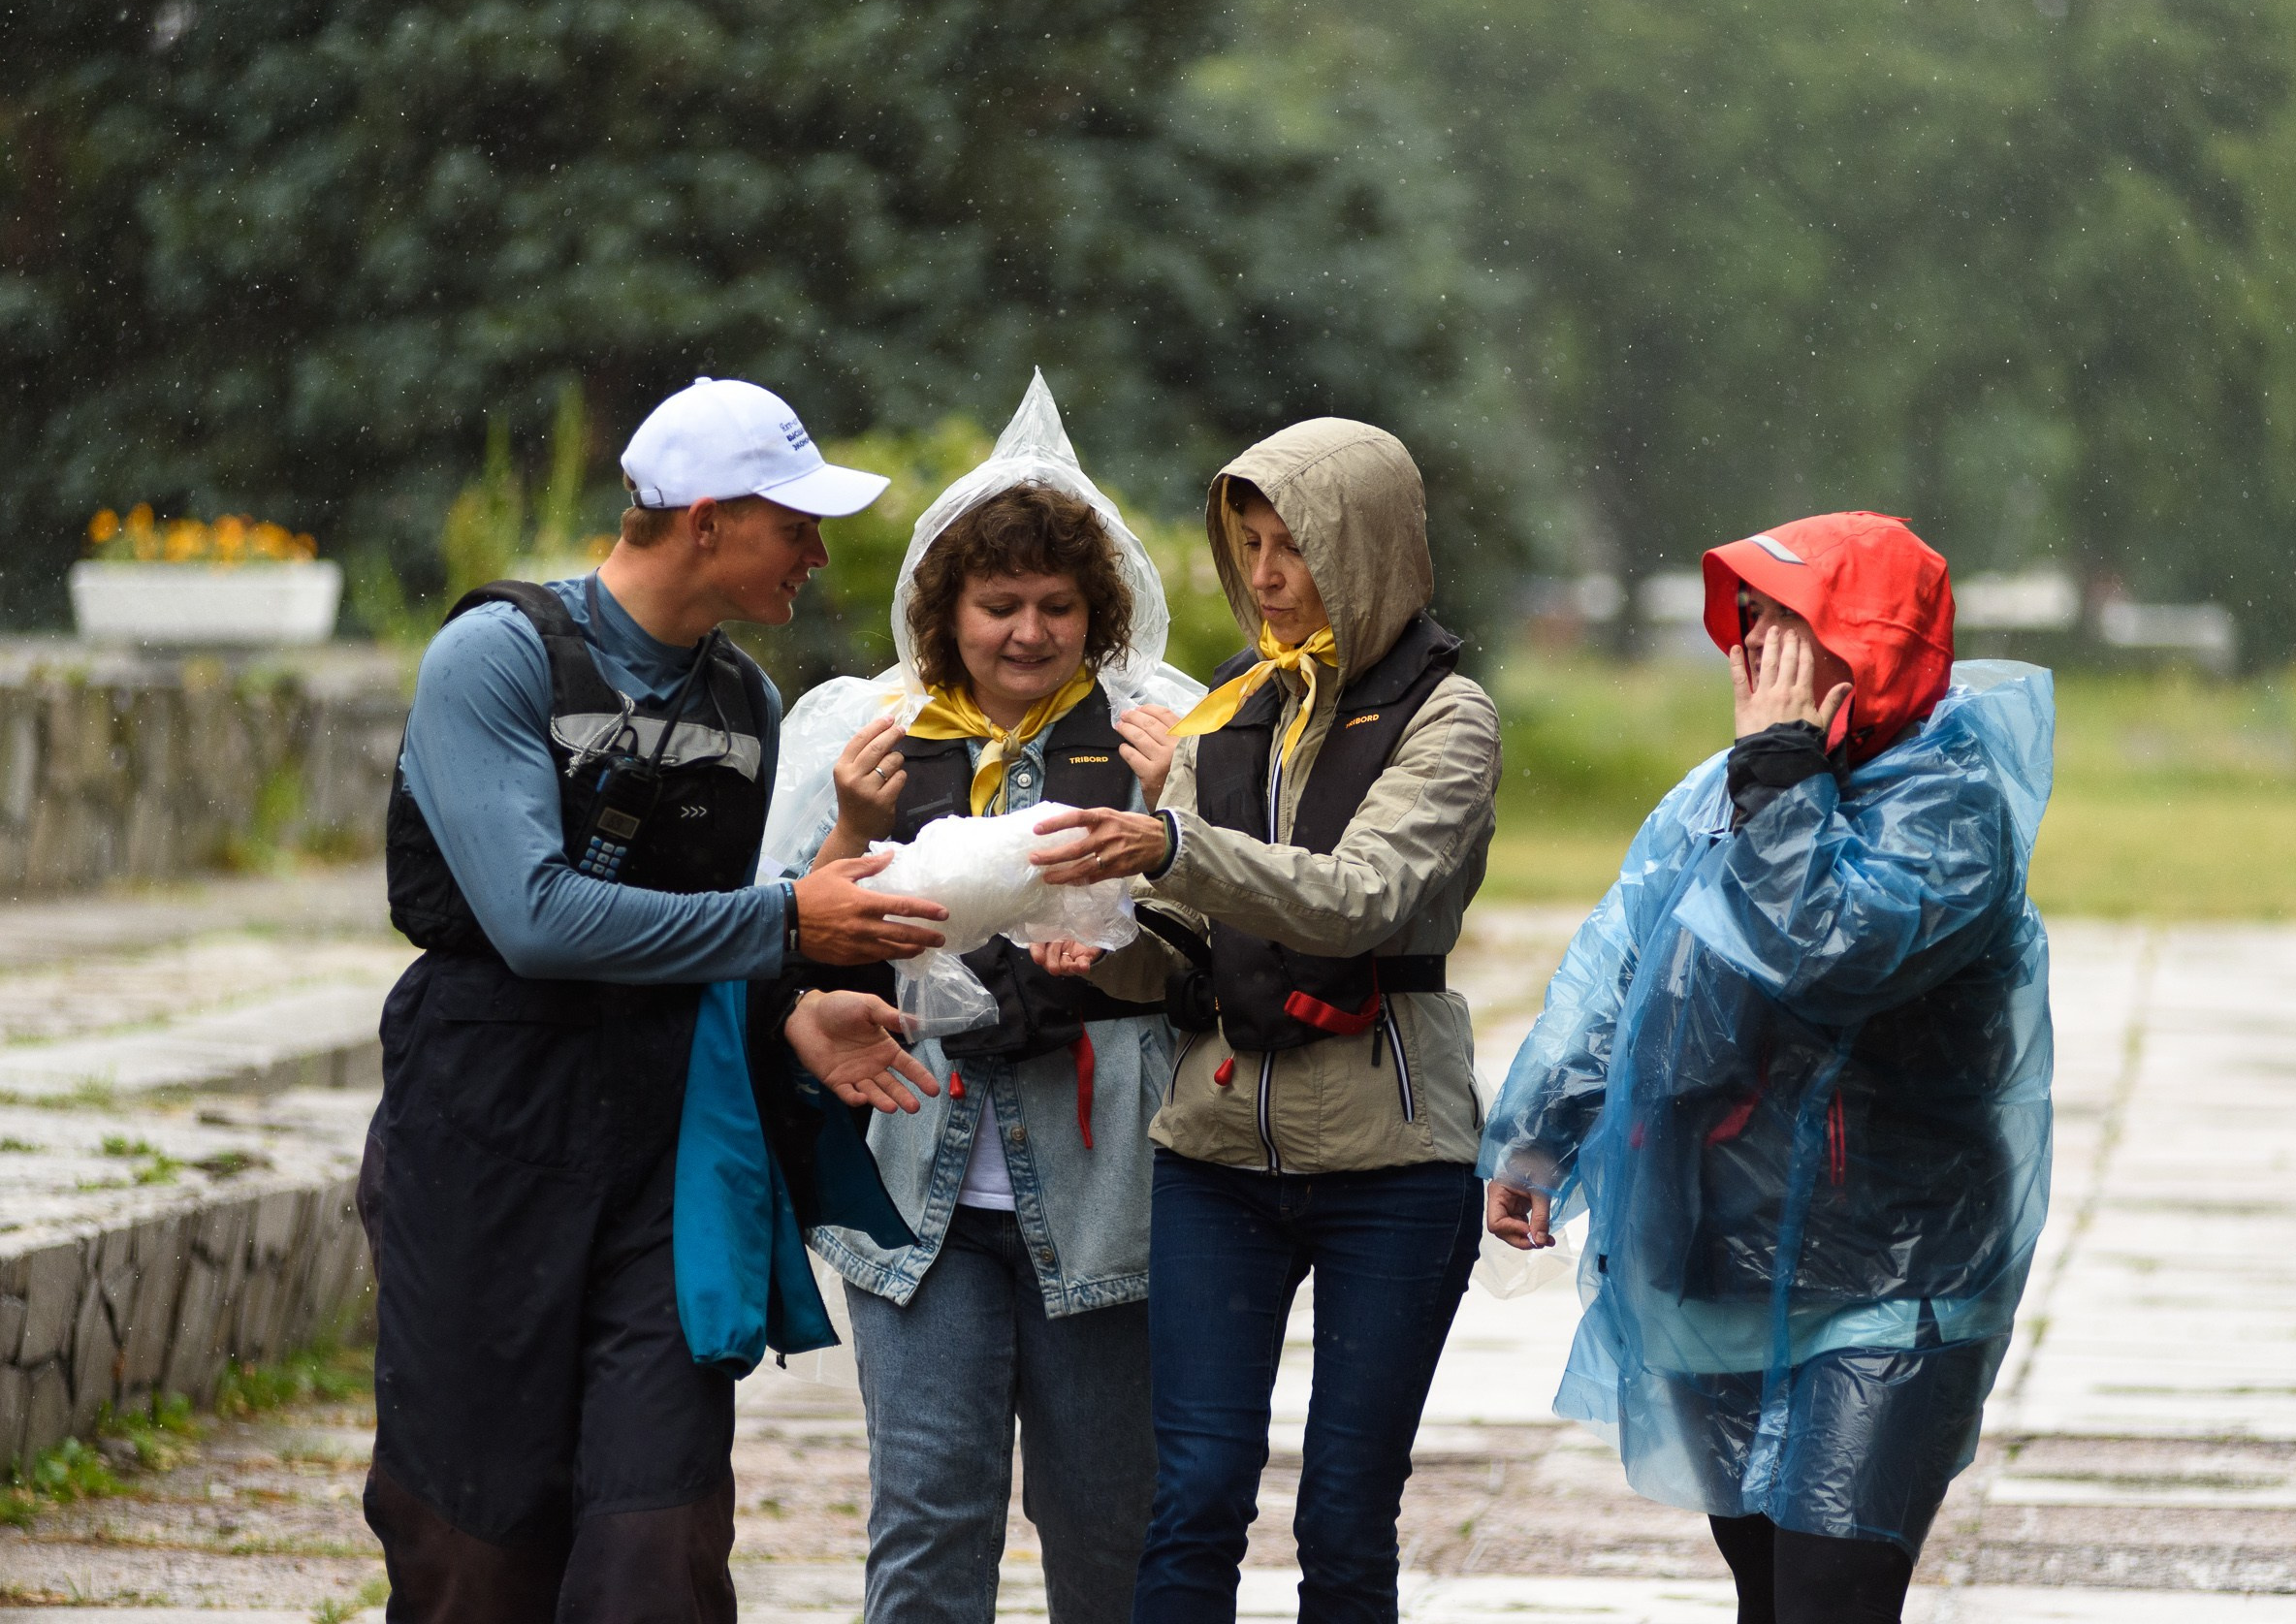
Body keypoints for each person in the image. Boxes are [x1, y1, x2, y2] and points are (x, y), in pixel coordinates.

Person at [366, 376, 951, 1621]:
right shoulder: (496, 655)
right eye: (792, 520)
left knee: (660, 1553)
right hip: (481, 1135)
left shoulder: (745, 703)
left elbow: (691, 943)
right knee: (474, 1546)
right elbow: (537, 921)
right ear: (704, 519)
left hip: (663, 1154)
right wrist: (790, 925)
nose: (815, 549)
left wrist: (789, 1009)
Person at [1477, 512, 2055, 1624]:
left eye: (1791, 628)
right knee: (1765, 1585)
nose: (1757, 656)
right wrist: (1539, 1134)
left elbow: (1825, 950)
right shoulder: (1717, 794)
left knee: (1831, 1594)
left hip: (1897, 1274)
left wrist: (1782, 775)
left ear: (1871, 645)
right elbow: (1624, 966)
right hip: (1717, 1249)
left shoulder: (1951, 808)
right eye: (1752, 627)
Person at [1028, 418, 1502, 1624]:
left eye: (1298, 546)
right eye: (1247, 544)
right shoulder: (1229, 710)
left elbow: (1361, 900)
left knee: (1345, 1513)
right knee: (1188, 1498)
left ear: (1372, 548)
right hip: (1216, 1157)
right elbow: (1190, 948)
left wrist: (1174, 842)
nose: (1267, 576)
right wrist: (1099, 951)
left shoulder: (1449, 719)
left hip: (1393, 1162)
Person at [758, 371, 1202, 1624]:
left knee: (1111, 1520)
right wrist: (851, 824)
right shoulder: (864, 738)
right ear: (940, 609)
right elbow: (785, 931)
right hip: (914, 1193)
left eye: (1057, 606)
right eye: (997, 603)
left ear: (1098, 613)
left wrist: (1167, 832)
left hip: (1109, 1189)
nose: (1027, 632)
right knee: (929, 1512)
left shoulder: (1154, 735)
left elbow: (1223, 937)